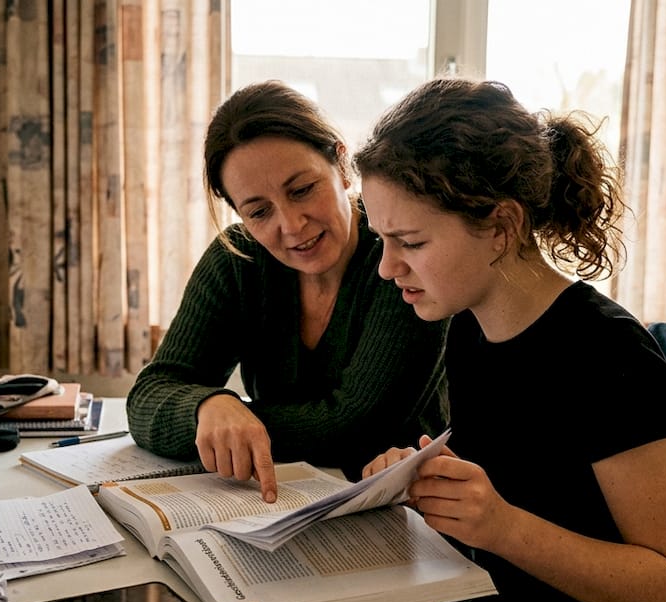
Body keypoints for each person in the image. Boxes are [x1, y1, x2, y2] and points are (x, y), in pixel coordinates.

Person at [353, 77, 666, 602]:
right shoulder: (468, 327)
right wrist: (422, 480)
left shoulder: (608, 354)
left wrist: (503, 527)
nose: (386, 267)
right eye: (382, 239)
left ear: (502, 226)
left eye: (410, 242)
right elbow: (528, 478)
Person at [126, 80, 449, 503]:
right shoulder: (237, 259)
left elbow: (353, 427)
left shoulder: (399, 256)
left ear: (340, 162)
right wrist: (208, 408)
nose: (292, 225)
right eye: (259, 211)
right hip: (278, 505)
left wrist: (239, 421)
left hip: (409, 509)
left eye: (302, 190)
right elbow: (149, 394)